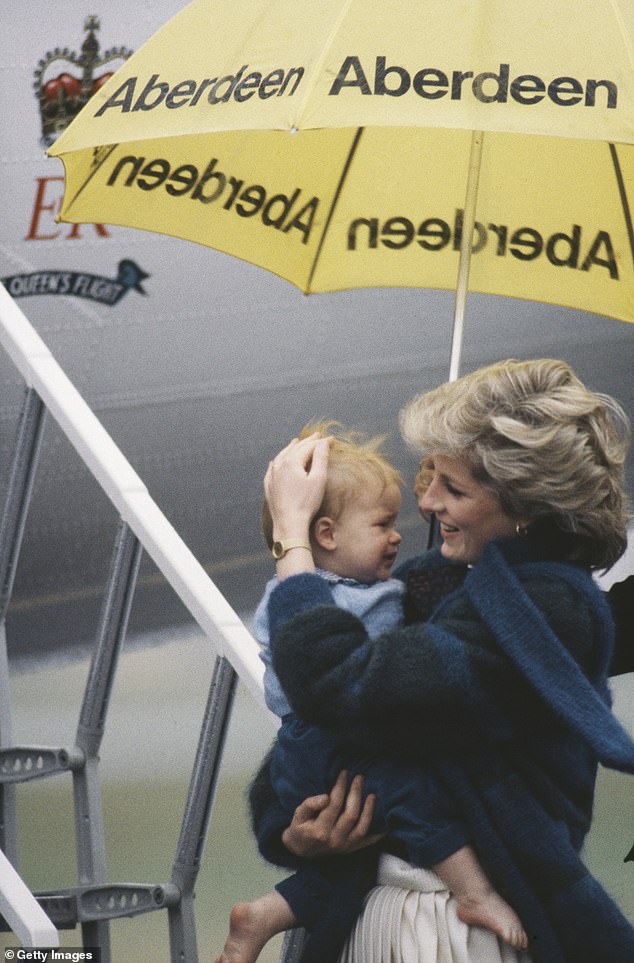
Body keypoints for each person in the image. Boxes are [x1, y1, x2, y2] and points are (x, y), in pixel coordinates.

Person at [252, 359, 634, 963]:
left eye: (453, 488)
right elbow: (331, 735)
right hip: (387, 913)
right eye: (431, 477)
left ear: (525, 506)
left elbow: (336, 686)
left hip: (454, 931)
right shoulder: (444, 584)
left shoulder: (549, 610)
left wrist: (292, 540)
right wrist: (297, 828)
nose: (426, 503)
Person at [216, 422, 528, 963]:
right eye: (383, 523)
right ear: (328, 536)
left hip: (308, 751)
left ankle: (266, 914)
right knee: (411, 793)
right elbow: (339, 684)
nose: (402, 532)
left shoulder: (341, 589)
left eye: (452, 490)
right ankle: (474, 892)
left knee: (348, 866)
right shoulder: (323, 594)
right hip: (330, 743)